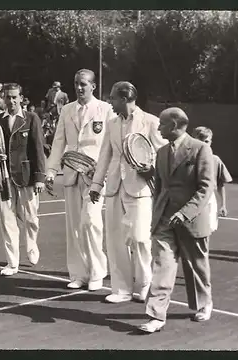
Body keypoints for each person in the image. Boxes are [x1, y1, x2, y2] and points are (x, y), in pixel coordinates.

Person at [138, 107, 215, 333]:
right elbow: (160, 188)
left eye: (162, 124)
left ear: (173, 125)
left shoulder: (201, 149)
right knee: (163, 264)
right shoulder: (161, 153)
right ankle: (156, 315)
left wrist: (184, 213)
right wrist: (157, 214)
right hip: (164, 220)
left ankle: (204, 303)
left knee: (197, 265)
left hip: (190, 220)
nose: (158, 127)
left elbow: (205, 188)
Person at [89, 81, 167, 303]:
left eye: (112, 98)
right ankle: (121, 289)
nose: (110, 102)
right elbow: (105, 155)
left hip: (140, 189)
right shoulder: (111, 123)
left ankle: (144, 284)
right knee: (115, 239)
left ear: (124, 99)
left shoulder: (151, 122)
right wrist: (96, 185)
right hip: (114, 187)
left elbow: (163, 154)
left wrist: (151, 169)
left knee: (140, 238)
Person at [46, 69, 115, 291]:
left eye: (83, 84)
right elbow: (58, 142)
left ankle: (97, 272)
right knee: (74, 226)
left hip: (95, 176)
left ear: (93, 86)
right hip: (71, 174)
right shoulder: (66, 110)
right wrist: (50, 170)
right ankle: (78, 273)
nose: (79, 87)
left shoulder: (106, 109)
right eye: (76, 83)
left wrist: (106, 171)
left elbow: (112, 143)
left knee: (90, 221)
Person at [0, 83, 46, 276]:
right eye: (7, 97)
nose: (11, 101)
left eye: (14, 97)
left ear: (21, 98)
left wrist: (39, 178)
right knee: (7, 219)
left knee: (31, 218)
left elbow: (38, 149)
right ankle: (12, 263)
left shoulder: (31, 118)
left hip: (27, 176)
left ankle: (31, 244)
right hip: (3, 177)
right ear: (3, 99)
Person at [191, 126, 232, 232]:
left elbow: (220, 184)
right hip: (190, 198)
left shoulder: (215, 160)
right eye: (200, 141)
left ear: (211, 142)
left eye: (207, 141)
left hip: (209, 198)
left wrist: (223, 205)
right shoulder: (186, 158)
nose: (204, 144)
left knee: (208, 229)